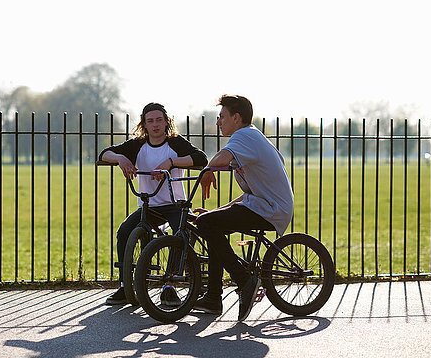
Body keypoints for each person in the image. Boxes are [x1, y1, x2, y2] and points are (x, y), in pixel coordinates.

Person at [192, 95, 294, 321]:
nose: (219, 122)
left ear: (236, 118)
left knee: (207, 224)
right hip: (263, 205)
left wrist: (208, 169)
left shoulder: (245, 135)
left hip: (271, 209)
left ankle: (244, 280)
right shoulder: (251, 136)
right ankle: (212, 298)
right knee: (211, 222)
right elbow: (249, 196)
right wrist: (218, 210)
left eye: (221, 117)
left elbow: (222, 158)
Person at [98, 102, 208, 305]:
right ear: (144, 124)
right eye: (150, 121)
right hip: (149, 207)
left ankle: (170, 286)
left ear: (167, 122)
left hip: (175, 205)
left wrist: (171, 162)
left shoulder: (175, 143)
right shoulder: (138, 145)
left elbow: (200, 157)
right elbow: (104, 154)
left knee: (182, 234)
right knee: (124, 232)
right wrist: (121, 158)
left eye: (159, 120)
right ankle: (125, 285)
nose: (155, 125)